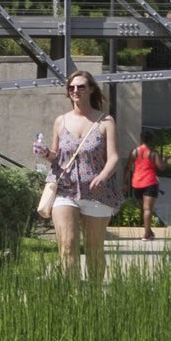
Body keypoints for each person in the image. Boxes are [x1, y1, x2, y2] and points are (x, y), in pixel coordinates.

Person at [34, 70, 121, 281]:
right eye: (72, 87)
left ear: (91, 89)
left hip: (97, 193)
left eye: (81, 86)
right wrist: (46, 153)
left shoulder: (105, 122)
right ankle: (71, 298)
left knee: (94, 250)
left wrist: (103, 175)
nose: (76, 91)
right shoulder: (60, 121)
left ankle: (93, 298)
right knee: (67, 245)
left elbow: (114, 157)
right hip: (65, 189)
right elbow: (56, 156)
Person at [128, 130, 165, 241]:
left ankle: (149, 231)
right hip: (150, 183)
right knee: (148, 209)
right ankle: (146, 234)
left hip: (136, 183)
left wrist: (124, 183)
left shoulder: (134, 152)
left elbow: (128, 167)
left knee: (143, 209)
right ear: (151, 140)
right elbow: (161, 167)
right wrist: (165, 161)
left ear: (141, 139)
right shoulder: (154, 153)